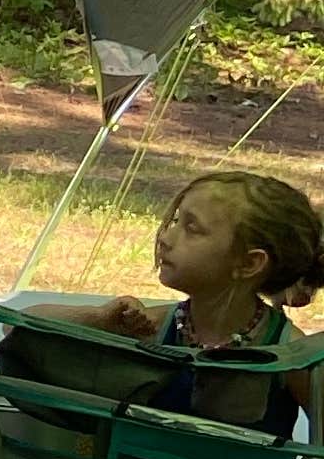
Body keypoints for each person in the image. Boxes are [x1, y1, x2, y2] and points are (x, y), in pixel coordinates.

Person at [34, 167, 324, 441]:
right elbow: (21, 332)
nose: (166, 238)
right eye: (175, 221)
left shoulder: (288, 357)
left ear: (249, 263)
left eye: (192, 228)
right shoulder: (152, 327)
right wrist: (97, 318)